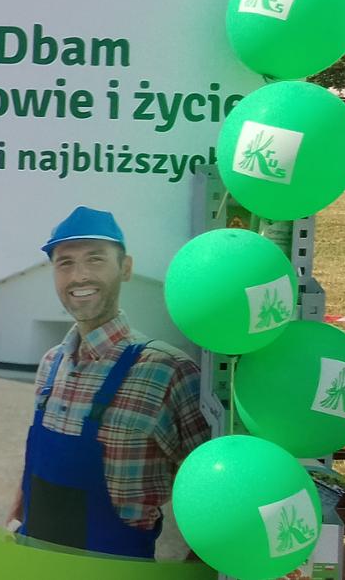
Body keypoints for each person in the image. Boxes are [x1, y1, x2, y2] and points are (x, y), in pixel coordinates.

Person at [12, 206, 212, 559]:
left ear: (126, 268)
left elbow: (218, 493)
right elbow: (37, 466)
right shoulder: (50, 365)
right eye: (65, 263)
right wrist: (16, 517)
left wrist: (197, 565)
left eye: (95, 259)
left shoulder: (167, 371)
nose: (79, 276)